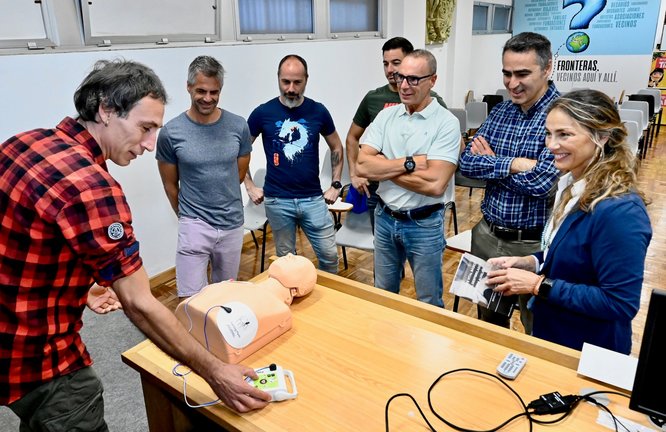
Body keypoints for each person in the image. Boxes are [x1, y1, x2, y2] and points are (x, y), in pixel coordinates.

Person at [0, 59, 270, 430]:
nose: (149, 144)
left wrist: (76, 289)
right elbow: (140, 303)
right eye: (144, 128)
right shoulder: (92, 187)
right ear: (106, 110)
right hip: (40, 360)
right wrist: (216, 371)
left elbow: (22, 238)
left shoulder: (23, 142)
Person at [486, 89, 652, 354]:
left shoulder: (620, 211)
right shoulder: (571, 185)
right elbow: (568, 252)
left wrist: (537, 284)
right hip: (555, 334)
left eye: (564, 135)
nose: (551, 145)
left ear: (602, 136)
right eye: (549, 134)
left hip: (588, 349)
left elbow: (620, 302)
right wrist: (532, 262)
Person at [458, 32, 560, 333]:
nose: (512, 83)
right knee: (489, 324)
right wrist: (515, 164)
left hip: (534, 244)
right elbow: (467, 166)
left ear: (547, 68)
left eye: (522, 74)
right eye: (506, 73)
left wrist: (493, 163)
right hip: (487, 236)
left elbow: (544, 183)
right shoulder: (502, 111)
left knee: (535, 328)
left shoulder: (563, 116)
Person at [356, 49, 459, 307]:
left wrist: (384, 168)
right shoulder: (387, 115)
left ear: (432, 81)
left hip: (424, 223)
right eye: (400, 77)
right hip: (385, 217)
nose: (403, 85)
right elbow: (363, 166)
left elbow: (435, 185)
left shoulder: (446, 122)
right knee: (383, 295)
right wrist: (411, 162)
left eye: (413, 79)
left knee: (428, 300)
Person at [156, 56, 251, 299]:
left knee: (226, 294)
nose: (207, 98)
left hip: (231, 222)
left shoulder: (238, 126)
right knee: (190, 298)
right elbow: (170, 184)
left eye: (213, 92)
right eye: (200, 91)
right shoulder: (171, 133)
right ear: (188, 87)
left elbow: (238, 174)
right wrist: (188, 218)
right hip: (194, 223)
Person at [244, 54, 343, 274]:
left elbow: (336, 146)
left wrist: (336, 184)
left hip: (313, 199)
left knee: (329, 256)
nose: (290, 88)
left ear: (306, 80)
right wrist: (249, 186)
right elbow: (241, 152)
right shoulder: (263, 113)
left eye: (297, 82)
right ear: (278, 79)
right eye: (285, 82)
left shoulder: (318, 111)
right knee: (286, 262)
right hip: (278, 201)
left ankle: (330, 301)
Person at [346, 37, 448, 228]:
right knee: (382, 250)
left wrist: (383, 168)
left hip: (416, 198)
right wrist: (355, 173)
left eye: (396, 63)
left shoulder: (432, 101)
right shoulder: (374, 98)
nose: (390, 70)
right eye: (385, 64)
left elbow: (449, 152)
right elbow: (352, 137)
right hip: (376, 192)